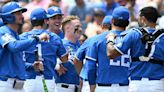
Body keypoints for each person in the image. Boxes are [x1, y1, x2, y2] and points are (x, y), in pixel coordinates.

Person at [106, 6, 164, 92]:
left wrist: (110, 39)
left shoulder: (134, 33)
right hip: (158, 84)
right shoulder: (163, 36)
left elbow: (111, 53)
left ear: (143, 18)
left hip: (137, 84)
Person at [0, 2, 49, 92]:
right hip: (5, 84)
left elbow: (17, 61)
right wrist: (37, 38)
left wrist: (31, 66)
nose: (21, 16)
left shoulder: (16, 36)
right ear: (8, 16)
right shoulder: (3, 31)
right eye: (18, 13)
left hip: (18, 85)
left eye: (21, 13)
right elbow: (13, 47)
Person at [20, 8, 68, 92]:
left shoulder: (22, 37)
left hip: (28, 80)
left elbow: (18, 61)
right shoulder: (54, 37)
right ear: (46, 21)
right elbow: (64, 59)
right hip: (47, 79)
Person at [85, 6, 131, 92]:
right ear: (127, 23)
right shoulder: (133, 39)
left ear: (112, 20)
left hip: (104, 87)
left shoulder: (98, 39)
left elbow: (90, 67)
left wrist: (92, 85)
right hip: (126, 87)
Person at [55, 16, 82, 92]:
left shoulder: (80, 46)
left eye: (80, 27)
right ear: (67, 28)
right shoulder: (60, 44)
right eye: (77, 27)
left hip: (78, 88)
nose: (80, 29)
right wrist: (56, 65)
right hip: (63, 88)